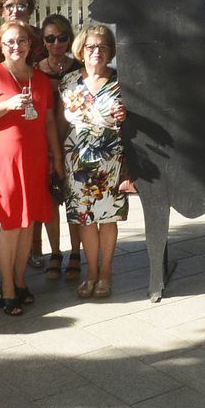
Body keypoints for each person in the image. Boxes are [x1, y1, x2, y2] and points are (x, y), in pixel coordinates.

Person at [0, 21, 66, 315]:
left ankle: (21, 281)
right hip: (3, 159)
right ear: (1, 44)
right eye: (10, 41)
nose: (16, 46)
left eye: (21, 40)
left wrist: (57, 157)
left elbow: (49, 121)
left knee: (29, 223)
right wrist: (7, 105)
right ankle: (7, 288)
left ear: (30, 43)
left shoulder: (39, 78)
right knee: (12, 225)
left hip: (35, 158)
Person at [59, 24, 128, 299]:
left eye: (102, 46)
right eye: (90, 46)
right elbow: (58, 121)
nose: (96, 51)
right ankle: (91, 272)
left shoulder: (122, 80)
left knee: (108, 218)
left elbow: (137, 121)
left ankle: (107, 272)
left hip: (111, 160)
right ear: (81, 50)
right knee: (85, 220)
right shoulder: (69, 81)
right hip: (75, 161)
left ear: (110, 50)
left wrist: (126, 116)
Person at [33, 13, 82, 278]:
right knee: (51, 200)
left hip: (75, 142)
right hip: (43, 142)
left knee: (73, 199)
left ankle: (75, 252)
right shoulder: (36, 71)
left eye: (62, 37)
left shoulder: (79, 68)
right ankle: (55, 252)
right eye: (50, 38)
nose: (56, 43)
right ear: (43, 41)